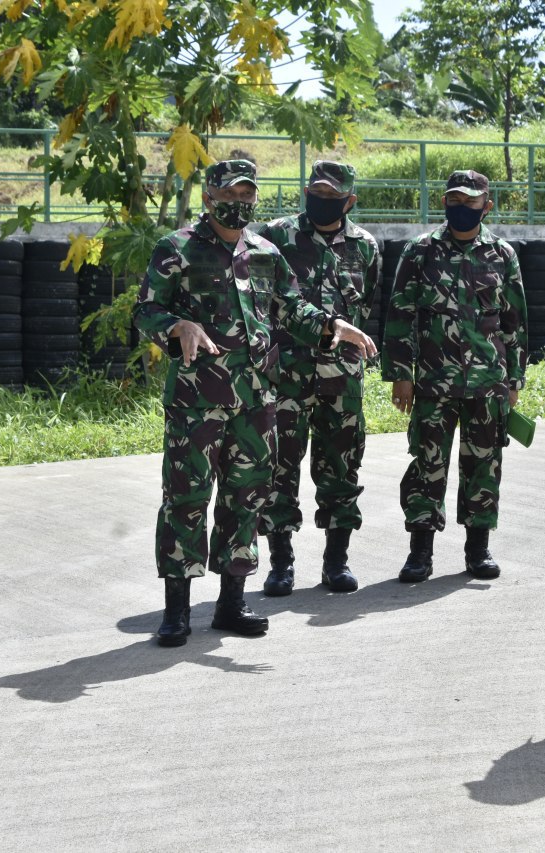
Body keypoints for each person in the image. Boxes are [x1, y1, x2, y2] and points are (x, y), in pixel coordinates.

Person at [134, 159, 376, 645]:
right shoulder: (177, 248)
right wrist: (177, 326)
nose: (239, 204)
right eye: (229, 195)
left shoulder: (264, 253)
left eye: (247, 196)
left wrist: (333, 327)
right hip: (196, 403)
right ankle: (177, 610)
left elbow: (293, 307)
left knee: (244, 499)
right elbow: (147, 309)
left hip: (256, 402)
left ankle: (230, 604)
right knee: (185, 501)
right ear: (209, 197)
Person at [381, 170, 527, 582]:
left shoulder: (503, 254)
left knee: (484, 464)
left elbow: (515, 321)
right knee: (427, 463)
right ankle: (420, 552)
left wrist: (514, 379)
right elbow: (400, 314)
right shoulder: (420, 251)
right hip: (432, 378)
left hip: (487, 380)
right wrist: (400, 373)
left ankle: (477, 551)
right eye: (454, 201)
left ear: (487, 205)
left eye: (470, 202)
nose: (461, 208)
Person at [255, 161, 381, 595]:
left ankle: (336, 562)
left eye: (332, 195)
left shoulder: (365, 246)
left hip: (342, 380)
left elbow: (368, 307)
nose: (322, 200)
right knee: (278, 470)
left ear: (350, 199)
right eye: (316, 191)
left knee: (342, 469)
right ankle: (281, 564)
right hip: (285, 376)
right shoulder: (275, 237)